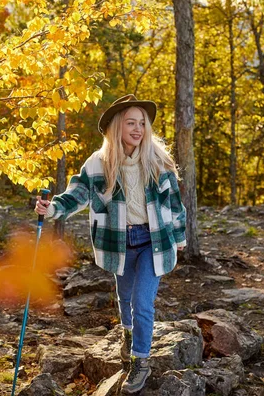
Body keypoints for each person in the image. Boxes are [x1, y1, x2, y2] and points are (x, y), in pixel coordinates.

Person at [35, 94, 187, 394]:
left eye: (142, 123)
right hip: (118, 241)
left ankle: (140, 360)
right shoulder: (100, 162)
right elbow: (76, 195)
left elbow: (174, 203)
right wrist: (51, 209)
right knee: (125, 298)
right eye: (131, 122)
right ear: (117, 127)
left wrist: (180, 237)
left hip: (153, 240)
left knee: (142, 302)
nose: (138, 129)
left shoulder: (158, 160)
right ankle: (128, 334)